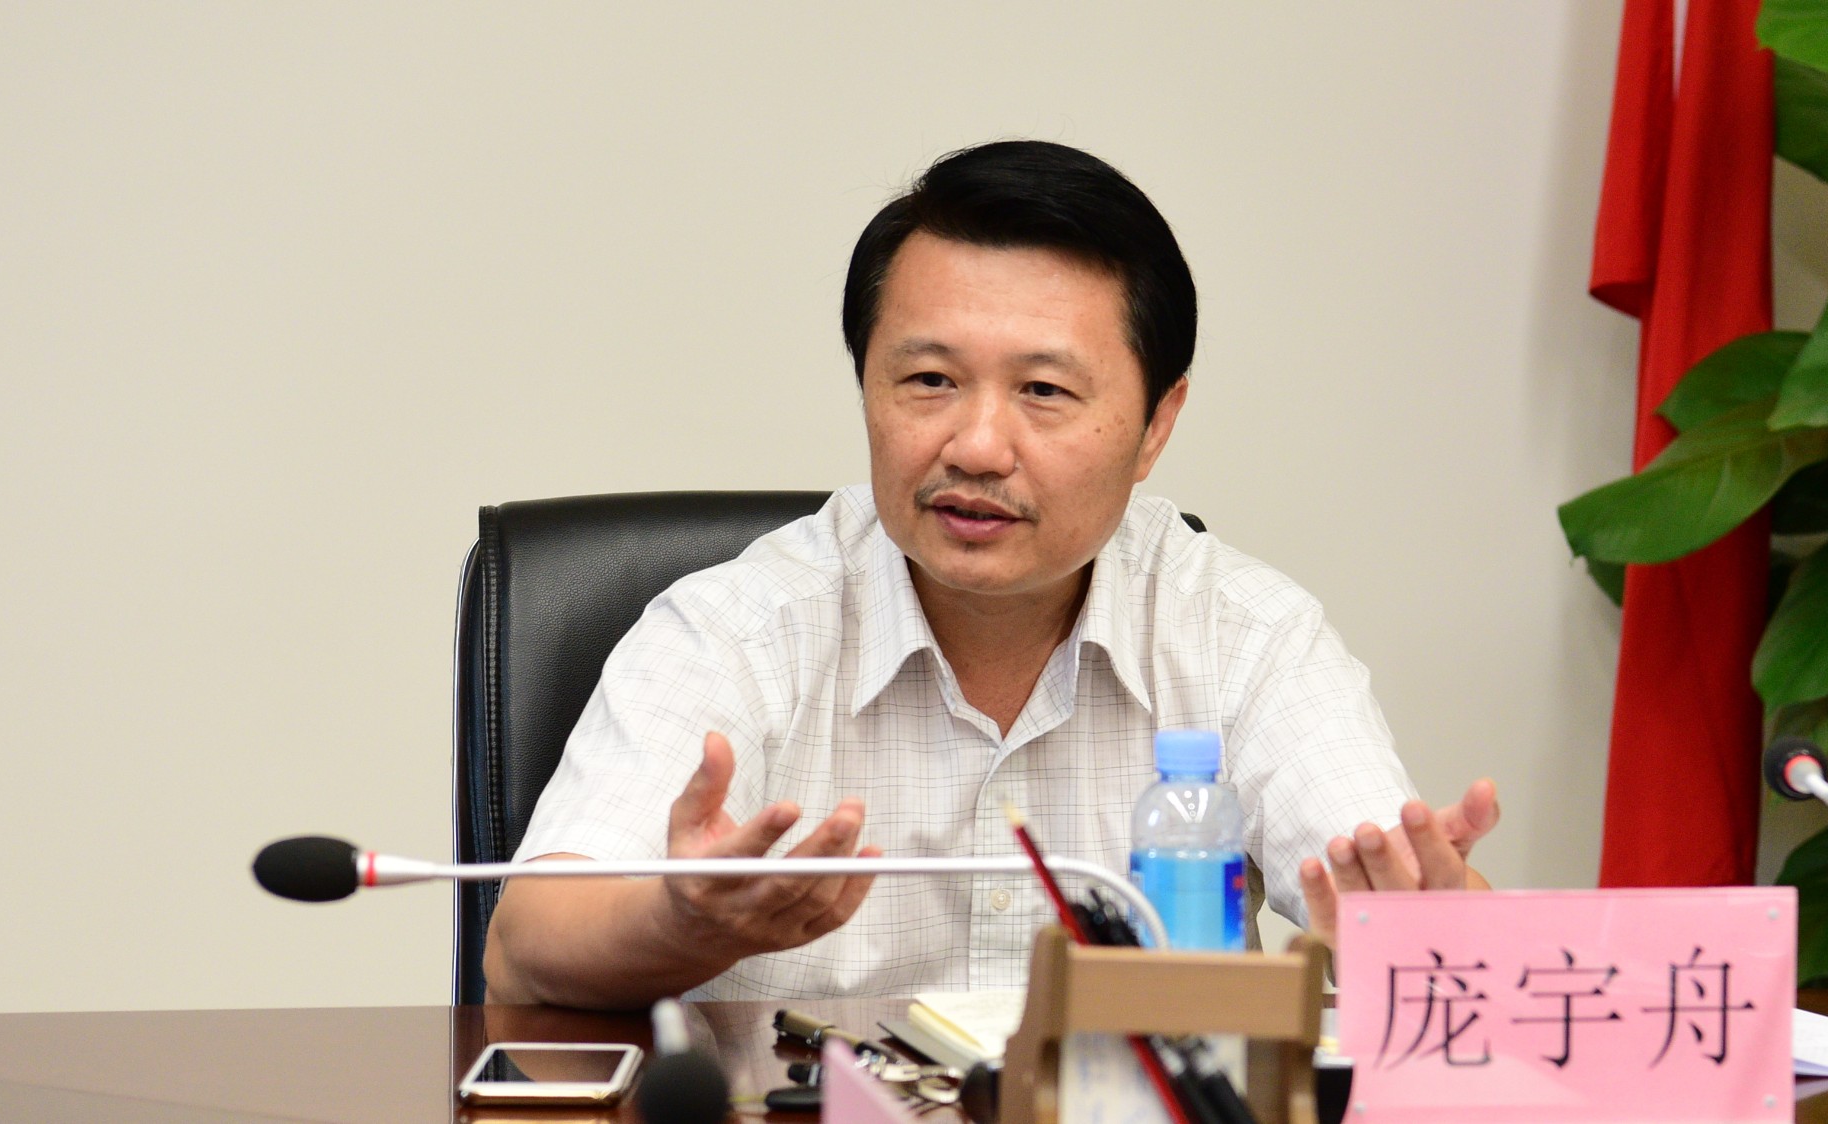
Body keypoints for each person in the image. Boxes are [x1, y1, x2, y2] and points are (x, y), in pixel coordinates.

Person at [483, 140, 1499, 1008]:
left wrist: (1434, 928)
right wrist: (682, 921)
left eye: (1043, 391)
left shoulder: (1243, 635)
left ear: (1156, 424)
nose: (974, 445)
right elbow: (525, 945)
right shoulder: (737, 628)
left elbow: (1410, 913)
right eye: (929, 379)